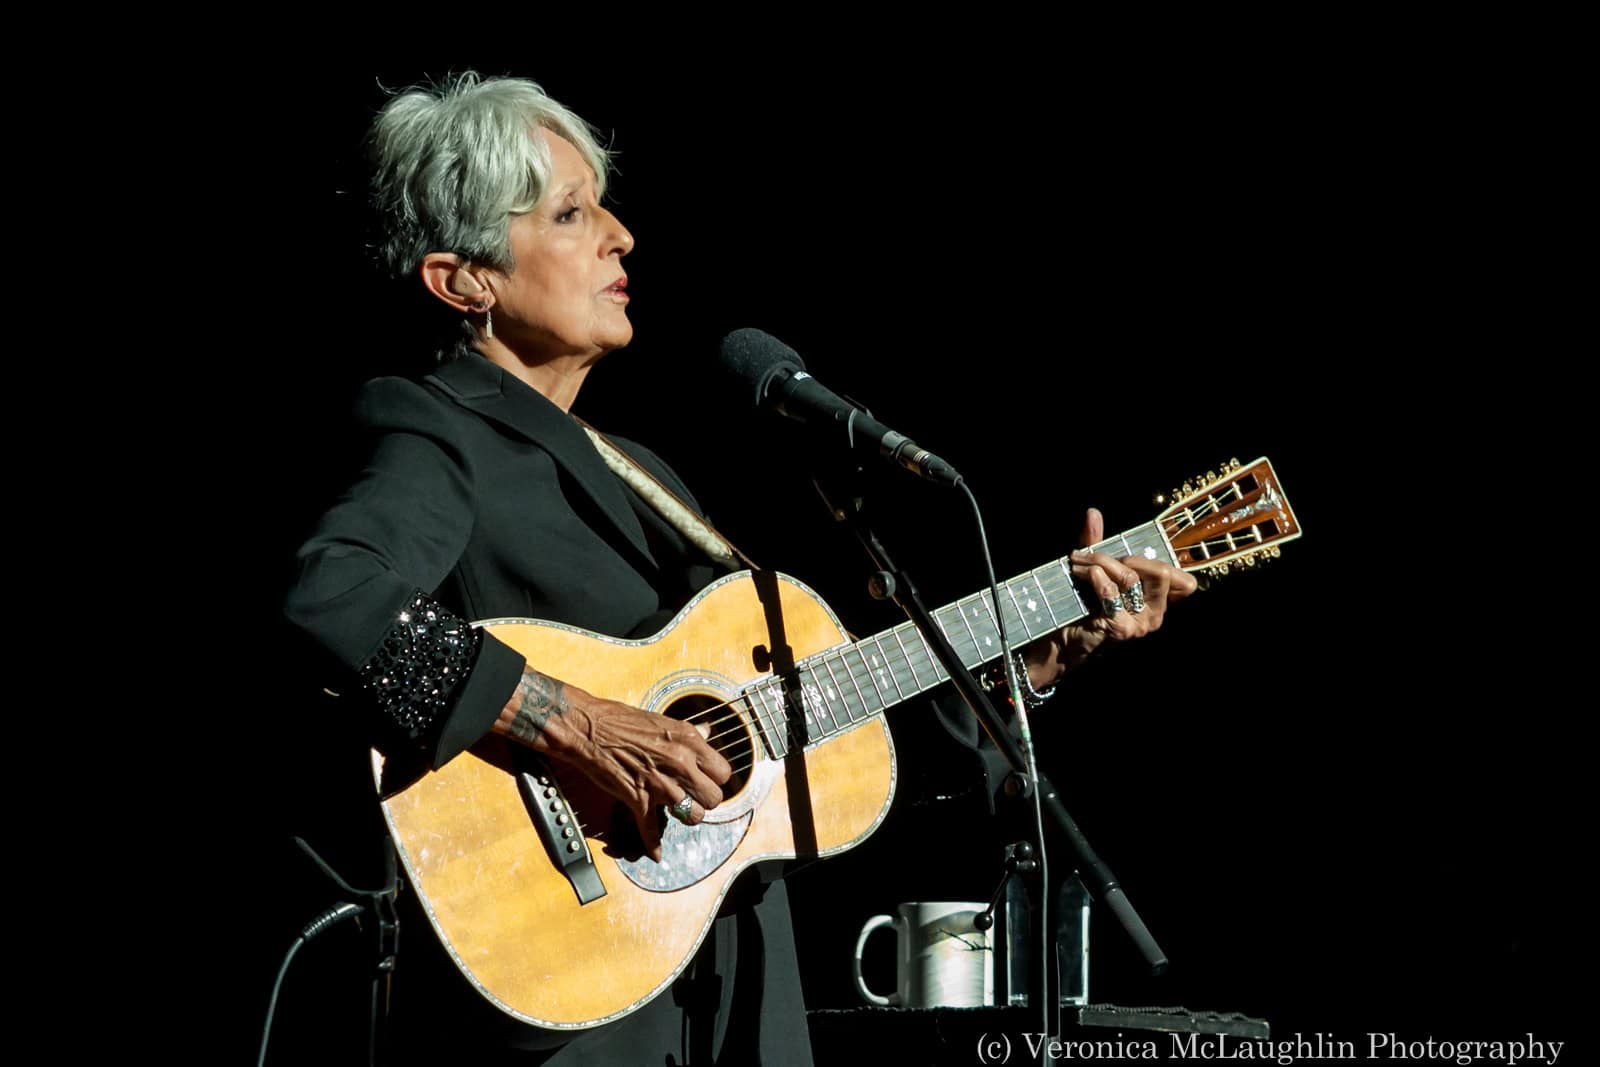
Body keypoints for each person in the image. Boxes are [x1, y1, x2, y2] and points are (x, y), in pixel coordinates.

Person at [284, 71, 1196, 1064]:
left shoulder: (644, 475)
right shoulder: (434, 430)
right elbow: (334, 600)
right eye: (571, 213)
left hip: (736, 1006)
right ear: (464, 282)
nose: (621, 235)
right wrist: (575, 722)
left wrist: (1043, 653)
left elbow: (829, 747)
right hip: (575, 1007)